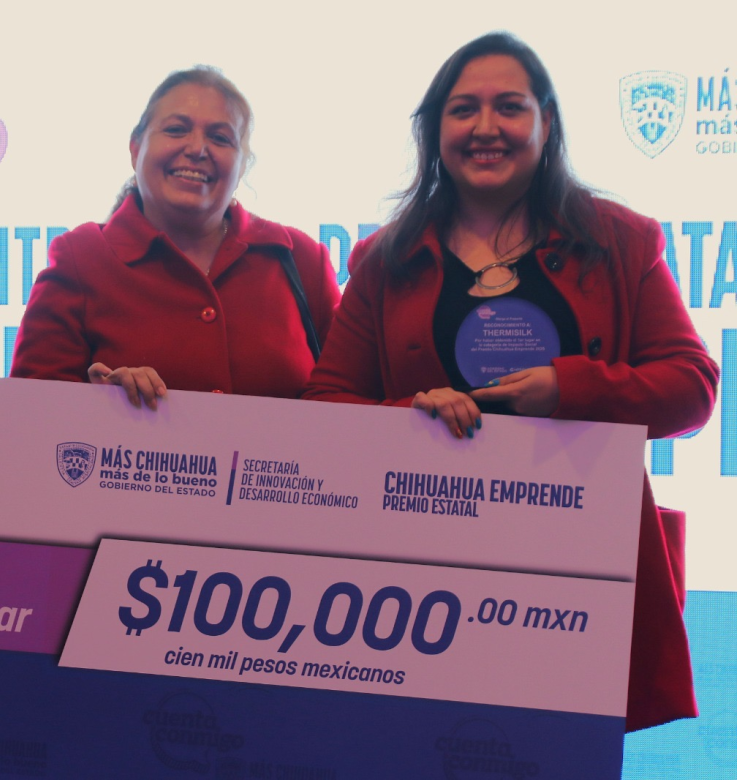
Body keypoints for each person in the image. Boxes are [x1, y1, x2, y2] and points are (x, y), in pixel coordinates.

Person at [304, 33, 719, 731]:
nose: (486, 127)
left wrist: (569, 390)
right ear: (435, 130)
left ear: (546, 123)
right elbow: (324, 409)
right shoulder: (384, 260)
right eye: (464, 109)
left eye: (509, 107)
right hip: (422, 582)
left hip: (577, 577)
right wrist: (411, 415)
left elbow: (692, 386)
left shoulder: (622, 241)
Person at [10, 66, 340, 404]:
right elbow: (31, 411)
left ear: (242, 165)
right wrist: (102, 407)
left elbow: (345, 396)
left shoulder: (300, 258)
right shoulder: (80, 258)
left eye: (220, 138)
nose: (197, 148)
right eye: (176, 130)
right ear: (135, 148)